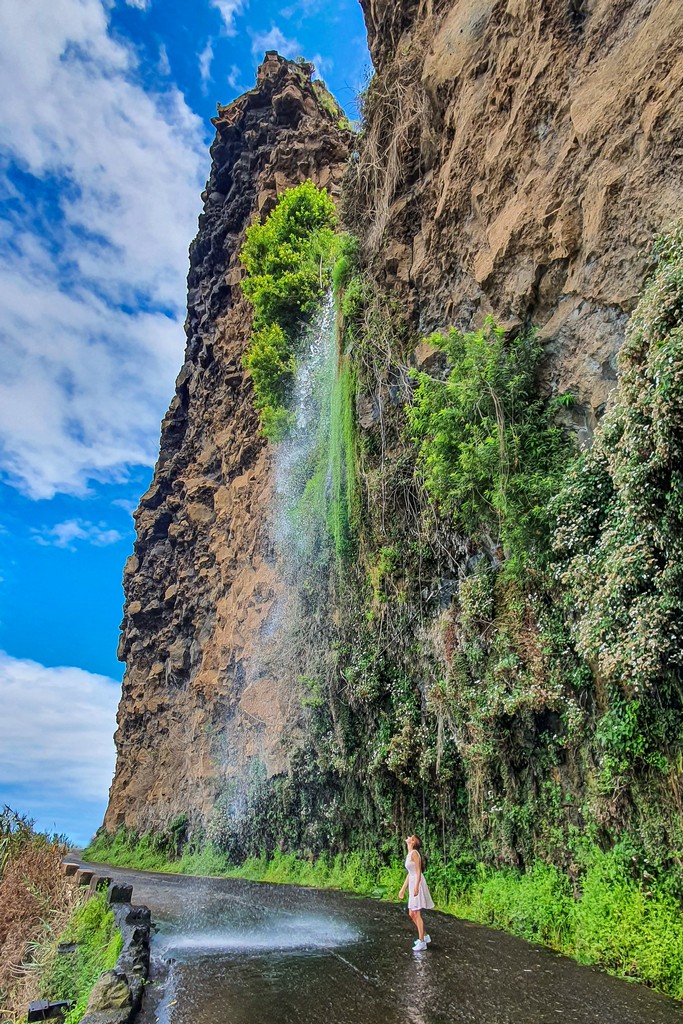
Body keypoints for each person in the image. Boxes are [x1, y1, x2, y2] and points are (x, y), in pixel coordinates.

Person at [399, 833, 434, 951]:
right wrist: (403, 888)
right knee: (411, 913)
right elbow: (410, 873)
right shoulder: (409, 854)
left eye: (411, 837)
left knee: (417, 913)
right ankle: (425, 935)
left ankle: (422, 942)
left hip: (417, 882)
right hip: (413, 881)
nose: (408, 837)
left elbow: (418, 871)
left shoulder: (415, 854)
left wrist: (417, 886)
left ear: (413, 842)